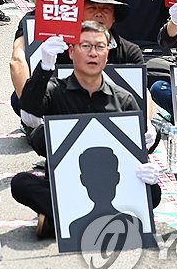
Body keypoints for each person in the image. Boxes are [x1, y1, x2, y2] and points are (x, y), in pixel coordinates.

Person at [11, 21, 161, 239]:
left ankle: (60, 217)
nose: (93, 53)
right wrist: (44, 67)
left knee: (153, 192)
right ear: (71, 52)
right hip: (68, 181)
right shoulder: (55, 90)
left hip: (112, 185)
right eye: (85, 46)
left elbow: (135, 153)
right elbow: (30, 106)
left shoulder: (123, 99)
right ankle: (95, 218)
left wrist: (146, 169)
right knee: (21, 184)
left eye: (100, 47)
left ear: (107, 54)